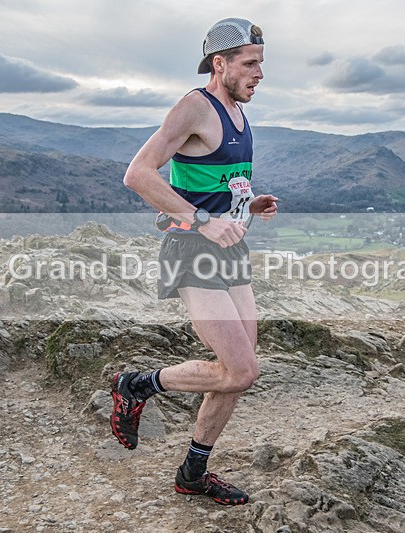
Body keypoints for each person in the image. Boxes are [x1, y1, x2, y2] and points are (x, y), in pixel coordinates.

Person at [112, 17, 278, 506]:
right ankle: (136, 384)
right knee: (241, 370)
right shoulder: (194, 107)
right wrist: (203, 220)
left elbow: (221, 184)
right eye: (250, 64)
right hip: (192, 249)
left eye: (262, 64)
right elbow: (137, 174)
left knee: (238, 372)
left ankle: (193, 472)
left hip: (230, 251)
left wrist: (249, 206)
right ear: (219, 63)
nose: (260, 74)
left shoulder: (240, 116)